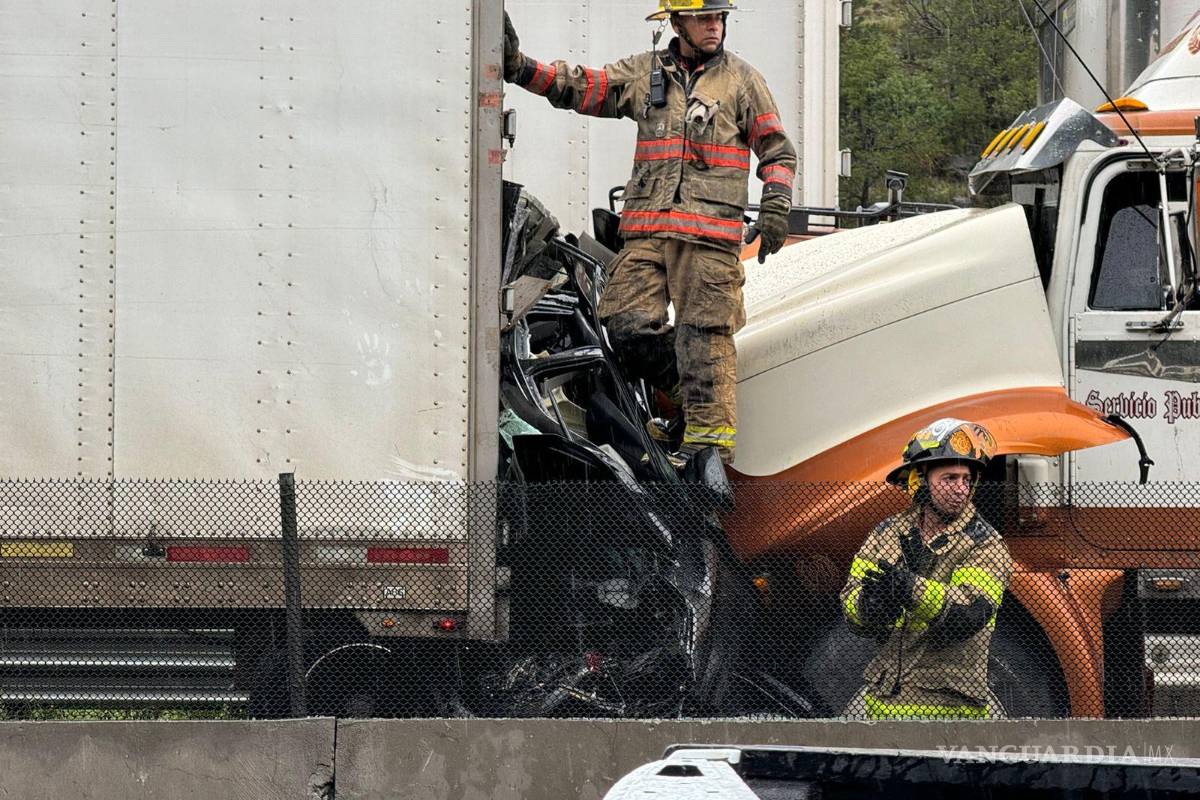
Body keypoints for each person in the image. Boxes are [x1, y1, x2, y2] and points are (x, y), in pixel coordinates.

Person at [502, 1, 797, 465]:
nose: (714, 26)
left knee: (705, 336)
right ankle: (682, 392)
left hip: (709, 241)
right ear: (676, 23)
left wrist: (777, 206)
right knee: (622, 323)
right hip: (648, 235)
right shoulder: (645, 74)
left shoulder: (743, 82)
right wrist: (520, 69)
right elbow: (584, 87)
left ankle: (707, 457)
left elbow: (778, 152)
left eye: (719, 17)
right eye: (703, 18)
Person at [839, 419, 1013, 719]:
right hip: (883, 707)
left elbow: (968, 613)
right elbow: (850, 598)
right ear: (919, 480)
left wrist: (909, 588)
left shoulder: (986, 544)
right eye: (949, 478)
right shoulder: (887, 533)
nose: (961, 489)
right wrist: (868, 607)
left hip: (951, 715)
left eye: (966, 479)